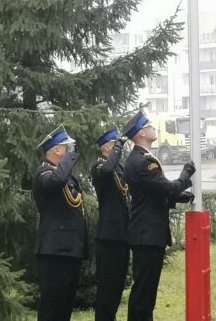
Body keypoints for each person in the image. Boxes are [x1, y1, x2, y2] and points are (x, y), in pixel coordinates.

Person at [121, 109, 195, 321]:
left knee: (145, 290)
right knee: (144, 292)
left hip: (146, 233)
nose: (154, 128)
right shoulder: (144, 161)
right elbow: (168, 188)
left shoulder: (141, 158)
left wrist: (179, 197)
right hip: (147, 234)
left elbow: (153, 193)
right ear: (141, 134)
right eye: (149, 126)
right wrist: (186, 174)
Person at [32, 125, 86, 321]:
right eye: (67, 147)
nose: (71, 151)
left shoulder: (66, 177)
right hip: (53, 250)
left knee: (64, 306)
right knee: (51, 307)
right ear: (57, 150)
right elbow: (57, 181)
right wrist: (70, 157)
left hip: (69, 249)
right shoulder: (44, 173)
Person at [91, 127, 130, 321]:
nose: (120, 149)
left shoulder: (120, 168)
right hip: (108, 236)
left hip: (123, 234)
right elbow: (107, 170)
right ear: (107, 148)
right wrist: (117, 148)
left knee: (117, 286)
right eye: (115, 145)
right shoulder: (99, 166)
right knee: (107, 287)